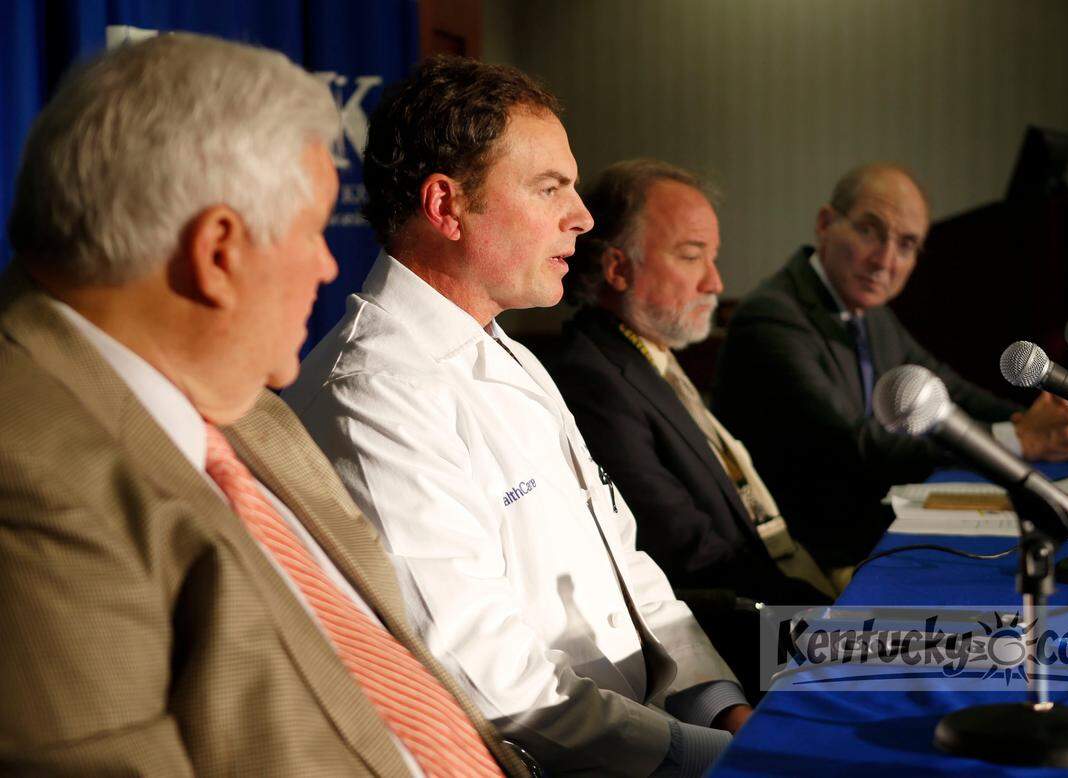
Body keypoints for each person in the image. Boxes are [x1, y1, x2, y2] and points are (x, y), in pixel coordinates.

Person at [0, 34, 525, 777]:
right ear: (219, 252)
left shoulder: (248, 406)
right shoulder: (27, 477)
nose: (324, 264)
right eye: (312, 231)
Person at [285, 57, 750, 776]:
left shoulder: (509, 351)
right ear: (446, 207)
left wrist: (723, 705)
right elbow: (494, 686)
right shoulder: (372, 393)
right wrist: (713, 756)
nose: (583, 217)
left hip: (656, 736)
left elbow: (626, 567)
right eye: (548, 188)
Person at [712, 163, 1068, 585]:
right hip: (812, 559)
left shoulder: (867, 310)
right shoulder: (772, 317)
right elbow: (856, 445)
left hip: (868, 530)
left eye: (906, 244)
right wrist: (1020, 438)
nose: (884, 260)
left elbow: (948, 389)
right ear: (825, 224)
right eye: (869, 231)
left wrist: (1041, 419)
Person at [546, 159, 835, 695]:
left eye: (714, 257)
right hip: (733, 643)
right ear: (617, 269)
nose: (716, 282)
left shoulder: (650, 353)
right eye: (691, 256)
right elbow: (689, 556)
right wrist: (839, 621)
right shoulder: (593, 381)